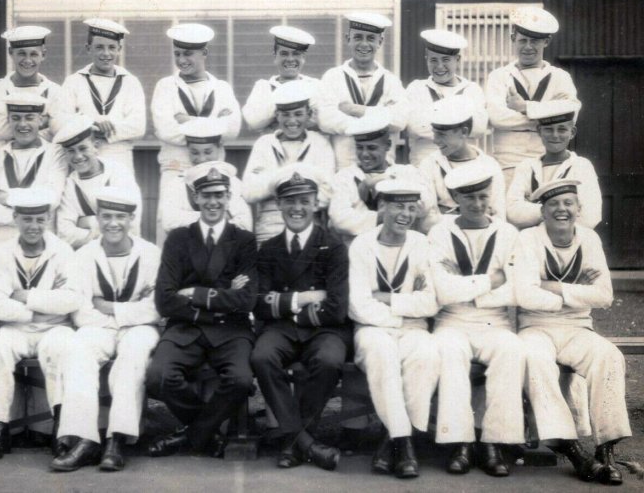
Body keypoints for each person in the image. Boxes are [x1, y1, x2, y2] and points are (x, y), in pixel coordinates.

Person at [514, 179, 631, 485]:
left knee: (609, 356)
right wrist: (579, 290)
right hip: (535, 326)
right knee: (534, 360)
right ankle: (575, 451)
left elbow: (604, 296)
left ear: (579, 209)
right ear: (543, 211)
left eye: (568, 203)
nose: (561, 209)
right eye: (553, 204)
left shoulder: (589, 239)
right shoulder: (528, 239)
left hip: (579, 327)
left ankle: (605, 449)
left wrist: (552, 287)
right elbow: (525, 295)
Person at [146, 164, 257, 458]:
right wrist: (224, 295)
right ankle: (205, 434)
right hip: (187, 328)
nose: (213, 202)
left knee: (242, 380)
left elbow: (246, 299)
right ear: (195, 198)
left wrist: (194, 293)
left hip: (231, 331)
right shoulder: (178, 239)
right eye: (206, 195)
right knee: (158, 376)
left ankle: (192, 436)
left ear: (229, 196)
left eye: (219, 195)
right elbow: (165, 300)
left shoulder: (244, 240)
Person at [51, 186, 162, 473]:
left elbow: (156, 308)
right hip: (100, 327)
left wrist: (112, 309)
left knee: (133, 354)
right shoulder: (84, 256)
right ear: (98, 219)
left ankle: (117, 439)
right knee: (78, 350)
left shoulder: (151, 254)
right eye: (107, 216)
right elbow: (80, 309)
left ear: (131, 220)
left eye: (120, 217)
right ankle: (84, 438)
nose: (113, 223)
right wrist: (122, 316)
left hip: (139, 328)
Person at [427, 162, 524, 477]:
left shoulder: (507, 233)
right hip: (452, 321)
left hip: (494, 321)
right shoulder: (440, 232)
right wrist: (489, 281)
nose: (478, 204)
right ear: (455, 196)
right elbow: (441, 290)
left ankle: (493, 441)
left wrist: (468, 290)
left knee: (510, 349)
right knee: (449, 351)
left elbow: (514, 288)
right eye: (469, 198)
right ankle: (461, 441)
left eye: (483, 197)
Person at [250, 164, 349, 471]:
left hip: (324, 330)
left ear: (315, 203)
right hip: (282, 329)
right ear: (278, 204)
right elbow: (258, 304)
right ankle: (305, 442)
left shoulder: (333, 246)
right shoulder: (268, 249)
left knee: (330, 361)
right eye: (290, 201)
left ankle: (294, 441)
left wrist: (283, 303)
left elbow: (336, 308)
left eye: (304, 200)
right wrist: (304, 298)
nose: (297, 208)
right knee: (262, 357)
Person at [0, 187, 81, 461]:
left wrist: (25, 297)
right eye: (27, 219)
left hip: (56, 328)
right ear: (15, 218)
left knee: (62, 350)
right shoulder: (1, 254)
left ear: (48, 219)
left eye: (39, 219)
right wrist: (42, 307)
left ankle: (62, 429)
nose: (33, 226)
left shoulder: (63, 251)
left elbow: (71, 300)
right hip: (17, 329)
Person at [348, 179, 440, 479]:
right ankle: (405, 444)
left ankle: (394, 442)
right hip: (372, 330)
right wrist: (403, 313)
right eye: (398, 206)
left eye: (412, 208)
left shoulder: (422, 245)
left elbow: (431, 303)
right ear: (382, 206)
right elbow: (358, 305)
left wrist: (388, 300)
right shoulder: (362, 245)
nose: (406, 214)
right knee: (383, 353)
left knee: (425, 355)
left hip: (412, 329)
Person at [151, 23, 242, 244]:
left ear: (204, 53)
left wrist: (186, 121)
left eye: (188, 54)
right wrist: (214, 124)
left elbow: (233, 129)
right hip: (177, 168)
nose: (182, 60)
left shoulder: (221, 88)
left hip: (213, 169)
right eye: (178, 54)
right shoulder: (165, 86)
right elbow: (165, 129)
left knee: (216, 227)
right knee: (171, 227)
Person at [485, 6, 579, 188]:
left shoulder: (560, 77)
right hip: (508, 161)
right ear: (513, 39)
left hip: (548, 158)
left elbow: (571, 113)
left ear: (546, 41)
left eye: (535, 41)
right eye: (523, 40)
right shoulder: (499, 76)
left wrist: (525, 107)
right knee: (510, 213)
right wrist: (548, 118)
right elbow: (497, 118)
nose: (528, 47)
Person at [242, 81, 335, 244]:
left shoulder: (320, 143)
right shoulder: (264, 143)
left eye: (298, 114)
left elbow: (328, 192)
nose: (292, 121)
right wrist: (298, 174)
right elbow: (249, 192)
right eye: (286, 115)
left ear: (309, 114)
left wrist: (274, 184)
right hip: (270, 228)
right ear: (277, 115)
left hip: (310, 227)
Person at [50, 19, 146, 173]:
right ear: (89, 49)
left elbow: (138, 127)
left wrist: (103, 129)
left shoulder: (131, 82)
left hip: (119, 157)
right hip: (82, 158)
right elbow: (57, 122)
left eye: (111, 47)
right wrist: (91, 123)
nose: (106, 53)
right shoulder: (74, 81)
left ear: (119, 49)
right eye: (99, 47)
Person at [0, 93, 68, 248]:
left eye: (29, 118)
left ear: (40, 120)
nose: (22, 124)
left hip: (42, 246)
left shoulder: (54, 153)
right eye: (16, 118)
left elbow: (52, 199)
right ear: (9, 120)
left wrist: (6, 198)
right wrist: (34, 214)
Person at [329, 110, 436, 245]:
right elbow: (340, 219)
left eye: (372, 148)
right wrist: (384, 216)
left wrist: (381, 181)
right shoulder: (344, 177)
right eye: (360, 148)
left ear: (387, 146)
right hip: (358, 248)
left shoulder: (407, 173)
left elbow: (424, 207)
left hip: (402, 248)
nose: (365, 154)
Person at [318, 12, 407, 170]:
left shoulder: (391, 81)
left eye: (371, 38)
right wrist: (379, 117)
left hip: (384, 169)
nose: (364, 44)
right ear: (348, 39)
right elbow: (326, 119)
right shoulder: (333, 77)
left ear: (380, 41)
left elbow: (399, 120)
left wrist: (354, 110)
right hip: (345, 169)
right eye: (358, 37)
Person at [506, 100, 601, 230]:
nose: (555, 135)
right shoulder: (526, 167)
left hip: (571, 241)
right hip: (532, 242)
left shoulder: (581, 166)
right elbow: (512, 212)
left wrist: (535, 209)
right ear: (539, 131)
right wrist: (562, 211)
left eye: (562, 130)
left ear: (572, 132)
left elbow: (591, 217)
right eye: (549, 130)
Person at [54, 115, 142, 248]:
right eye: (71, 151)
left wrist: (86, 222)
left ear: (95, 146)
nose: (78, 156)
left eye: (83, 148)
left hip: (125, 252)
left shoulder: (118, 173)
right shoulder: (70, 185)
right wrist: (105, 230)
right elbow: (65, 234)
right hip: (86, 256)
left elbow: (132, 223)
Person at [405, 29, 488, 166]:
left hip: (464, 164)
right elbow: (416, 126)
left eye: (445, 60)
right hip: (424, 162)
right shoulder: (417, 88)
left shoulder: (472, 90)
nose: (439, 67)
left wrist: (433, 116)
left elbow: (478, 128)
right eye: (433, 60)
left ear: (458, 60)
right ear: (426, 59)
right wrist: (460, 120)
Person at [418, 95, 505, 221]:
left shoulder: (489, 165)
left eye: (442, 135)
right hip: (443, 235)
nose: (436, 140)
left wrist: (446, 213)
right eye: (434, 133)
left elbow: (498, 215)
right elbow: (428, 217)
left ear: (464, 132)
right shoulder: (429, 164)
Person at [159, 118, 253, 234]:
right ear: (187, 150)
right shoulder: (177, 184)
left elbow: (244, 224)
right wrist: (219, 216)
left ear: (219, 148)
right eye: (194, 153)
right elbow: (169, 222)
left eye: (208, 152)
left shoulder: (233, 183)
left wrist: (190, 218)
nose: (201, 159)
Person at [0, 26, 62, 148]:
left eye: (34, 54)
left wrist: (12, 123)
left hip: (43, 160)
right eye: (21, 53)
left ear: (43, 55)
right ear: (11, 53)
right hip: (4, 159)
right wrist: (43, 122)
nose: (27, 60)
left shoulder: (54, 91)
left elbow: (58, 130)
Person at [241, 26, 321, 132]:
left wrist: (274, 118)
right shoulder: (263, 87)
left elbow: (324, 121)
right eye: (284, 54)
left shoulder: (315, 85)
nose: (290, 59)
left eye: (296, 54)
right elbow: (254, 122)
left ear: (303, 58)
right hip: (273, 147)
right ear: (275, 57)